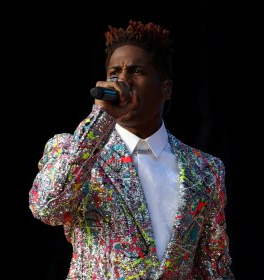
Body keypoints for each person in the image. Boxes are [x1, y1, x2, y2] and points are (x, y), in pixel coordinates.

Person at [29, 19, 234, 279]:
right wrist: (100, 120)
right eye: (114, 73)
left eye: (136, 71)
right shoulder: (72, 149)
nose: (122, 81)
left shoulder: (205, 170)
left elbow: (214, 267)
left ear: (166, 88)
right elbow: (47, 207)